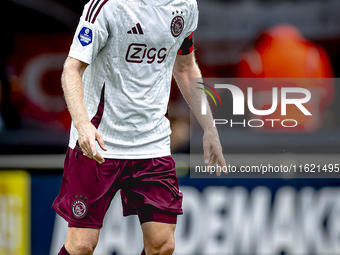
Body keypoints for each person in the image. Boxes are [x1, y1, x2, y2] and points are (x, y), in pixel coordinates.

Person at [52, 0, 226, 254]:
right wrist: (83, 125)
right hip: (100, 143)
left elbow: (186, 67)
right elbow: (71, 68)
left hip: (151, 144)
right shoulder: (107, 6)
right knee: (81, 246)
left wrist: (210, 129)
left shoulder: (185, 6)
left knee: (162, 244)